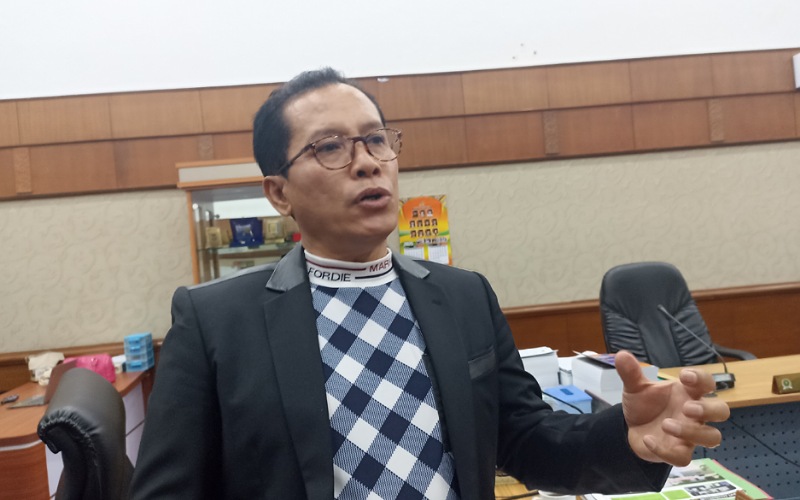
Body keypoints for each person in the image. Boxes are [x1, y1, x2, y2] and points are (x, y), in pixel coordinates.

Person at [130, 68, 730, 499]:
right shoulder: (215, 321)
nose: (367, 161)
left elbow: (527, 441)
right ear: (278, 192)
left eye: (375, 140)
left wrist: (624, 436)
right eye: (330, 147)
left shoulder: (464, 297)